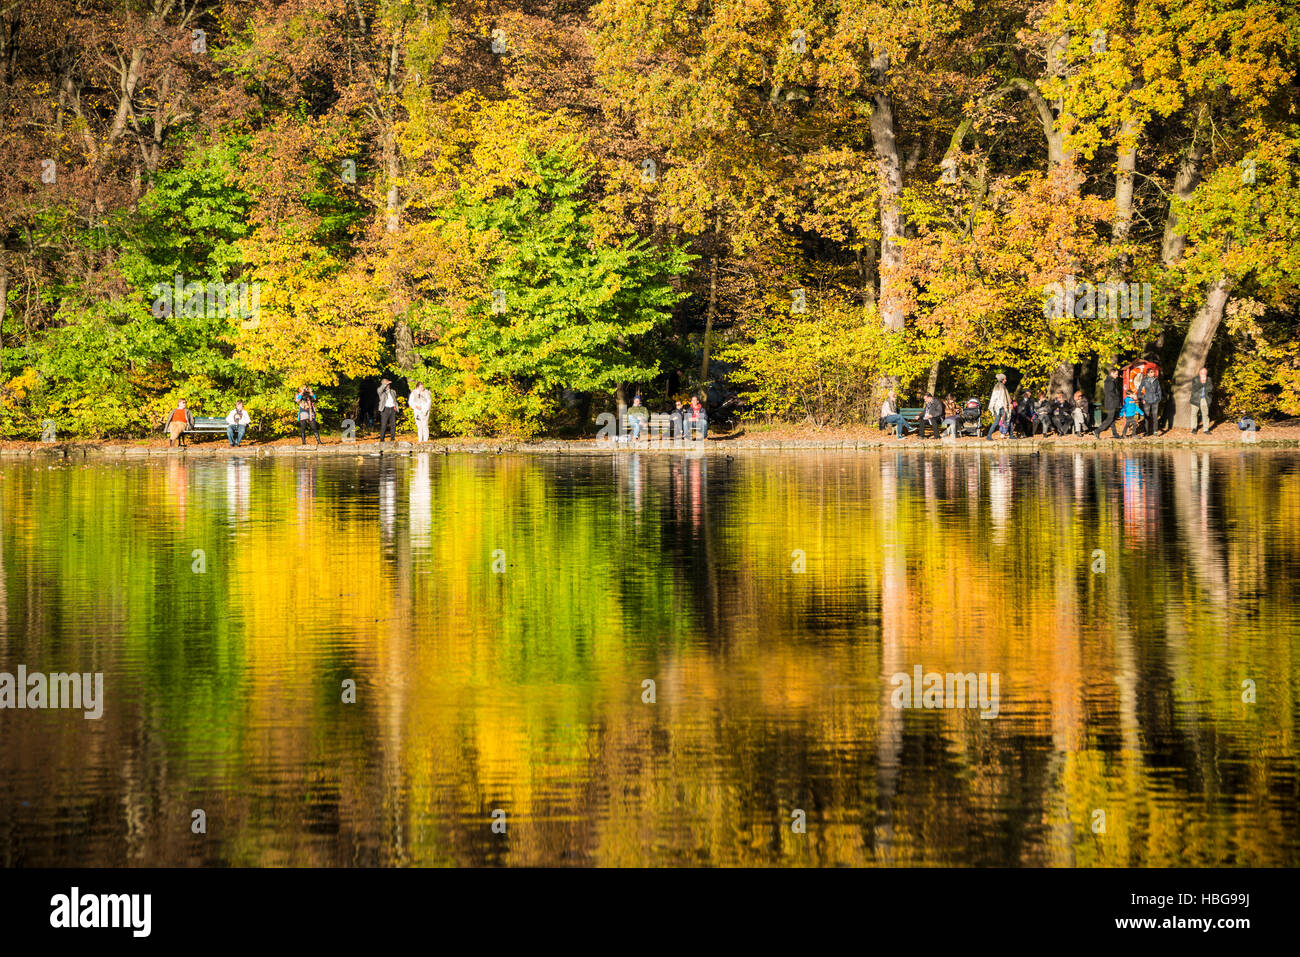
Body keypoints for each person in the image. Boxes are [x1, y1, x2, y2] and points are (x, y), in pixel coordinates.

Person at [1097, 367, 1122, 438]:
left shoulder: (1111, 380)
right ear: (1112, 373)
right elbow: (1111, 392)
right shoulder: (1110, 381)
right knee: (1110, 418)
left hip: (1111, 401)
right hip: (1111, 402)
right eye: (1116, 374)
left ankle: (1115, 434)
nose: (1117, 375)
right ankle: (1098, 430)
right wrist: (1117, 398)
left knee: (1112, 419)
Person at [986, 373, 1011, 440]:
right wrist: (1006, 407)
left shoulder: (996, 386)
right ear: (1002, 379)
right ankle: (1009, 435)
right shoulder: (1002, 386)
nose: (1006, 380)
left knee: (998, 421)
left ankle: (989, 436)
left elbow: (994, 398)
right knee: (1006, 420)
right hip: (1001, 407)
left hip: (996, 407)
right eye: (1005, 379)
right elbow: (1003, 398)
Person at [1138, 366, 1162, 436]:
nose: (1153, 374)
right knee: (1146, 417)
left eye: (1153, 372)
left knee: (1155, 416)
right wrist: (1141, 398)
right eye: (1151, 372)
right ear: (1148, 374)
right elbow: (1139, 389)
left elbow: (1159, 390)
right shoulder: (1144, 380)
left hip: (1155, 401)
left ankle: (1155, 431)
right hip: (1147, 401)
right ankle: (1146, 432)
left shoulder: (1156, 380)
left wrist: (1159, 398)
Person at [1190, 367, 1213, 433]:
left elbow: (1210, 389)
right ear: (1199, 373)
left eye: (1205, 373)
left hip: (1205, 399)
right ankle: (1194, 428)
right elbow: (1195, 388)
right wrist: (1202, 382)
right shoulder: (1195, 379)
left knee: (1205, 414)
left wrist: (1205, 382)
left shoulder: (1209, 379)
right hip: (1195, 399)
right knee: (1194, 414)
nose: (1203, 374)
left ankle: (1206, 429)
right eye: (1202, 373)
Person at [1121, 373, 1142, 438]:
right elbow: (1124, 407)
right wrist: (1121, 413)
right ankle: (1130, 434)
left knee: (1130, 424)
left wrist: (1141, 412)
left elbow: (1135, 407)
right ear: (1128, 395)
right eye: (1131, 395)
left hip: (1132, 415)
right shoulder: (1127, 400)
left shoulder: (1132, 401)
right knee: (1131, 424)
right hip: (1128, 415)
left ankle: (1129, 434)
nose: (1132, 395)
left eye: (1132, 394)